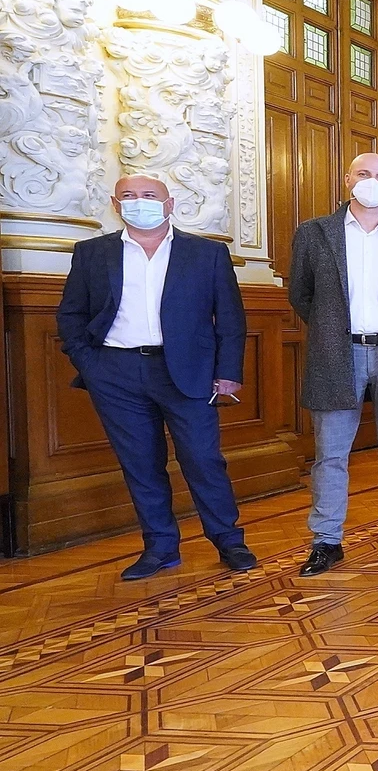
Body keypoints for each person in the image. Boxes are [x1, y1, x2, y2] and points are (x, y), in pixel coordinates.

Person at [56, 175, 253, 581]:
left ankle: (228, 540)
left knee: (203, 460)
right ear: (115, 204)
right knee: (141, 465)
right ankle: (160, 547)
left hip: (188, 371)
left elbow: (230, 319)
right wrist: (91, 366)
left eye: (149, 195)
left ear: (169, 203)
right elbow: (71, 314)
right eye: (129, 196)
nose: (138, 202)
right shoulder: (92, 252)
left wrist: (228, 373)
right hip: (116, 373)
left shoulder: (207, 253)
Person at [289, 151, 378, 576]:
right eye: (364, 173)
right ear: (347, 179)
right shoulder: (314, 234)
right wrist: (334, 328)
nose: (372, 181)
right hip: (337, 353)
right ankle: (327, 541)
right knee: (330, 453)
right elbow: (302, 295)